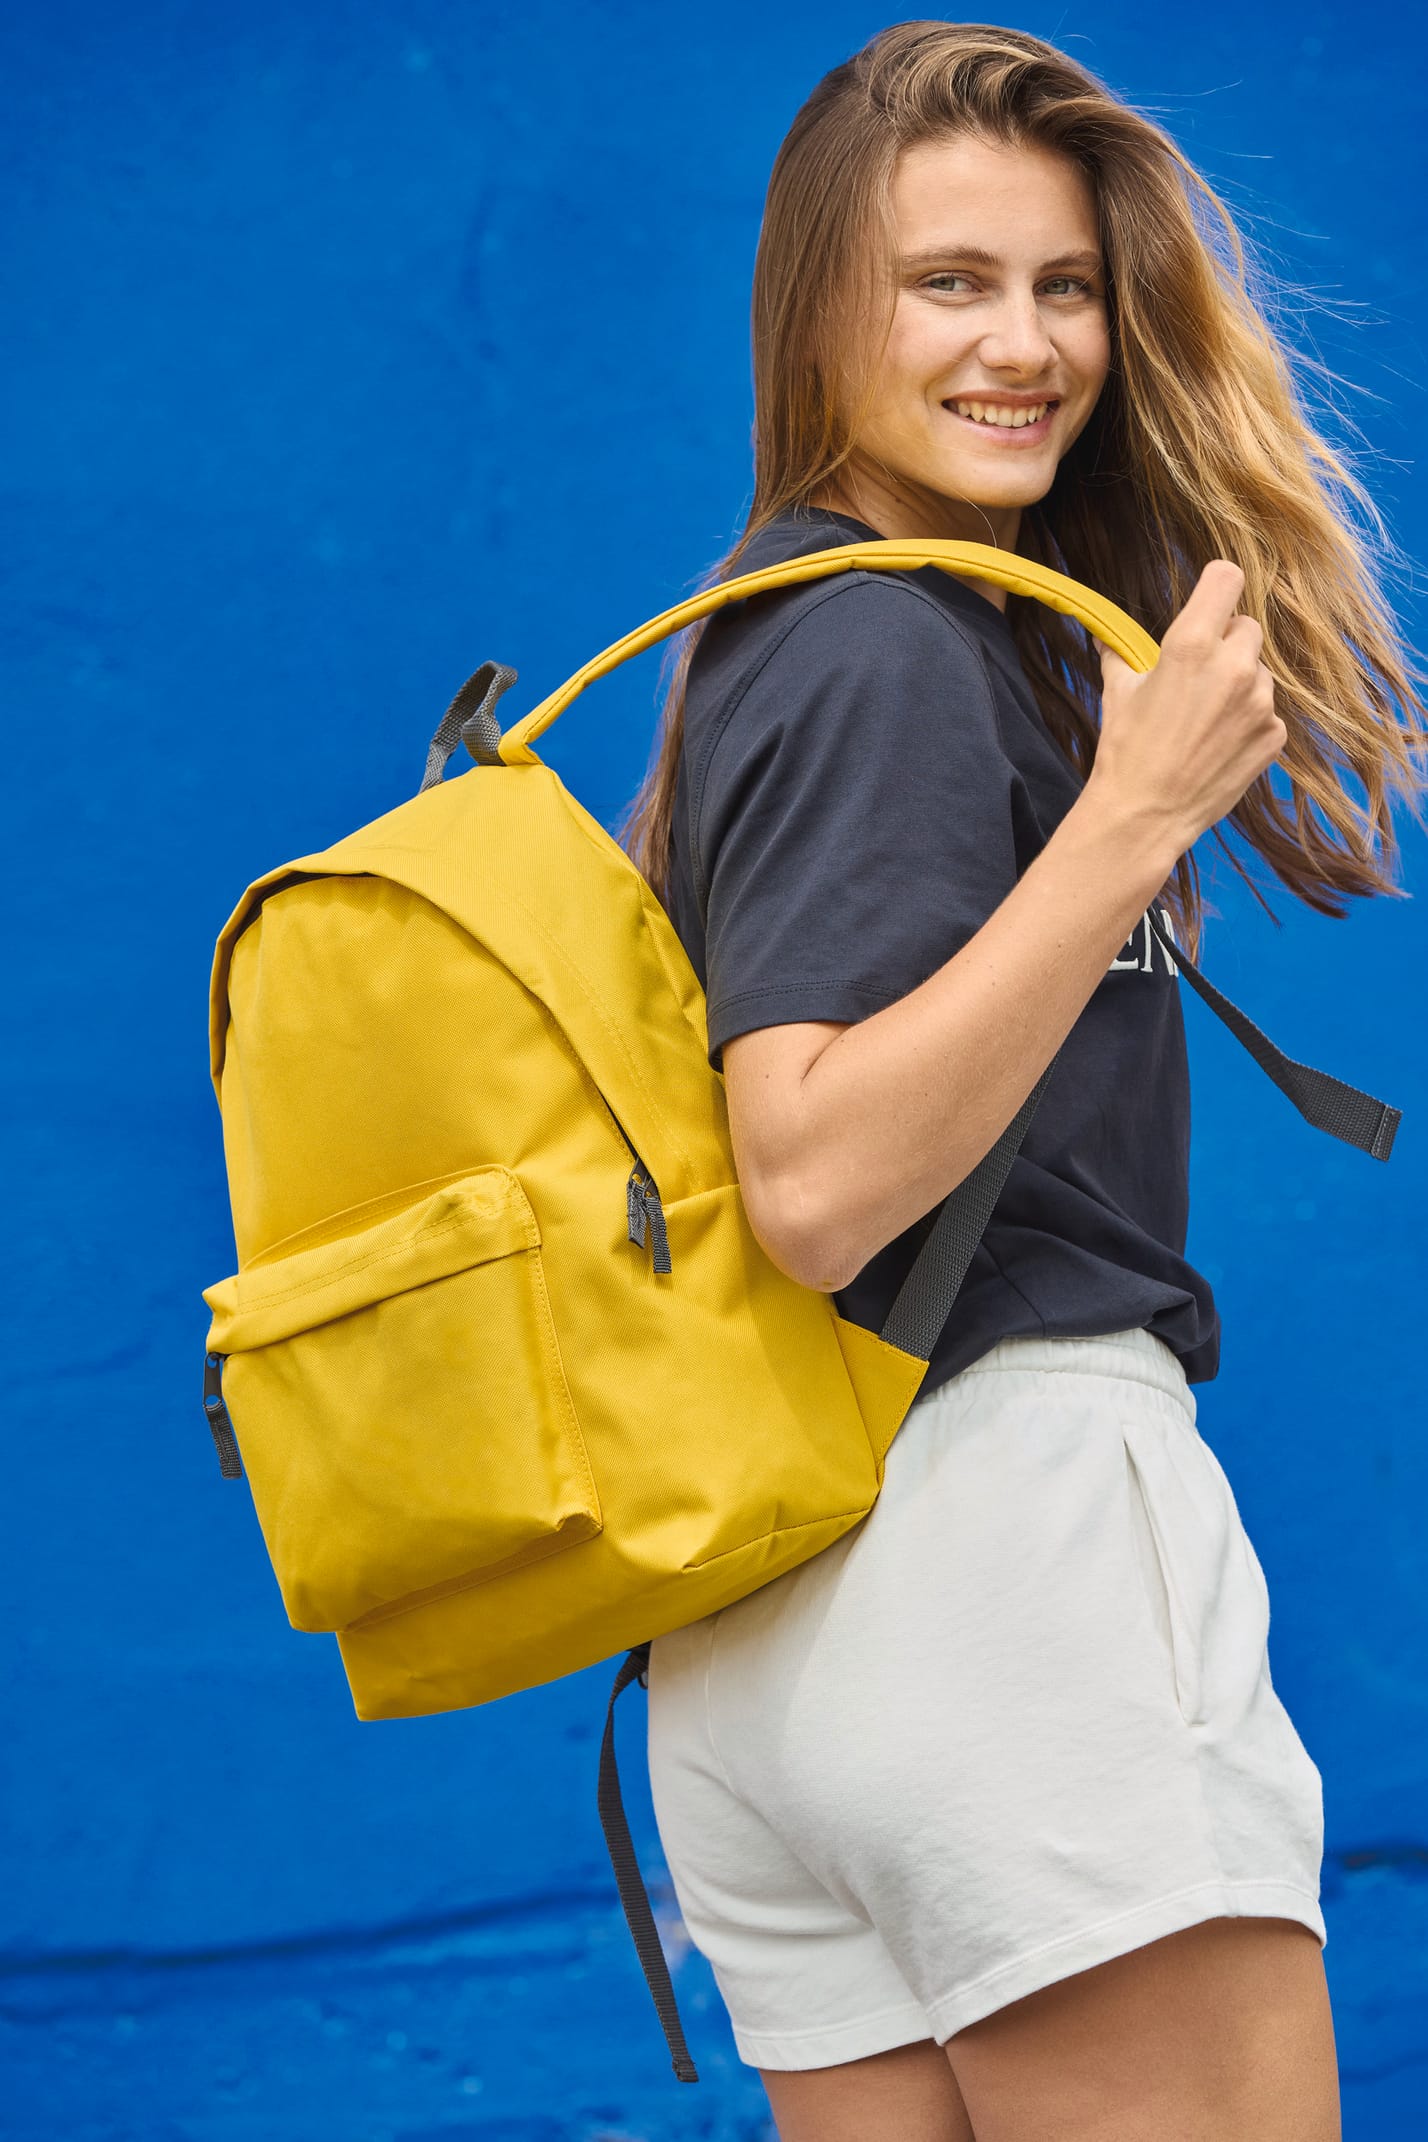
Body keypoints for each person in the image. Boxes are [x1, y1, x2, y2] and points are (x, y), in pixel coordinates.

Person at [613, 21, 1427, 2141]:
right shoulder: (881, 641)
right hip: (1006, 1559)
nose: (1031, 343)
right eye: (949, 283)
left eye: (1064, 287)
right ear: (821, 314)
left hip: (773, 1636)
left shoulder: (785, 638)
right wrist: (1126, 823)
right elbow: (808, 1173)